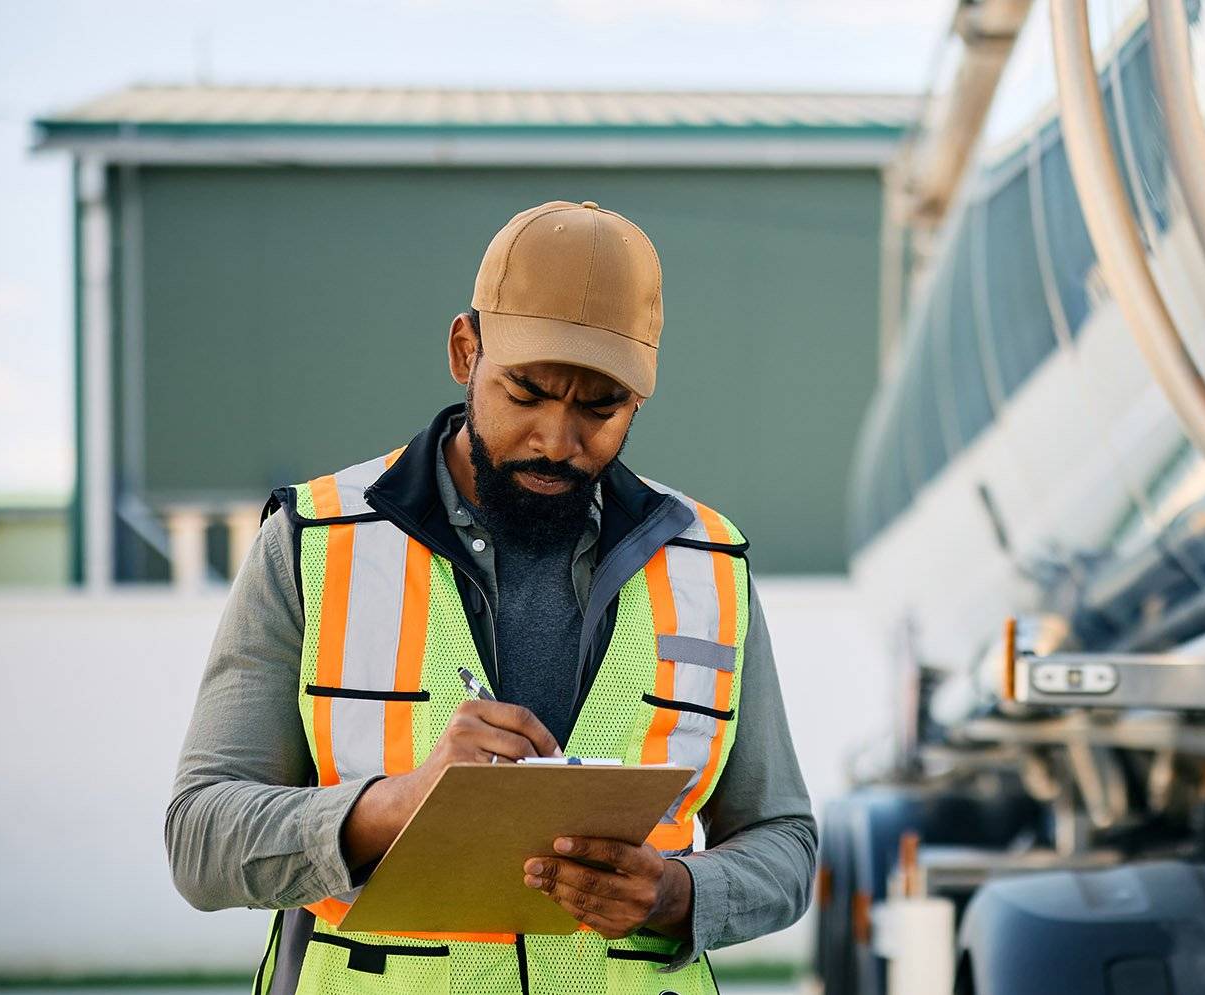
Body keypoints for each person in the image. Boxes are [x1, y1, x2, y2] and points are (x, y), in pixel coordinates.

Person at [166, 201, 817, 995]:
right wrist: (397, 803)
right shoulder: (314, 544)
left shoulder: (708, 564)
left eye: (599, 407)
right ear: (465, 349)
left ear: (641, 394)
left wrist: (679, 893)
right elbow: (200, 841)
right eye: (527, 392)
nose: (557, 439)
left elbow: (784, 842)